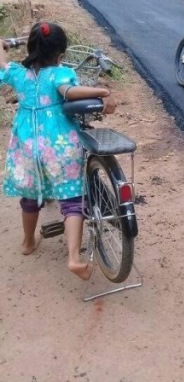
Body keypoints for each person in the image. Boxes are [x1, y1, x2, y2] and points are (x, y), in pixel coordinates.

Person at [0, 22, 116, 280]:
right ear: (61, 55)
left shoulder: (18, 74)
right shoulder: (60, 74)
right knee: (72, 200)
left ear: (31, 49)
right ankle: (74, 258)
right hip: (60, 145)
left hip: (27, 147)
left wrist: (5, 44)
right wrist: (102, 90)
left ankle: (28, 242)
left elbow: (1, 63)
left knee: (30, 199)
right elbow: (70, 92)